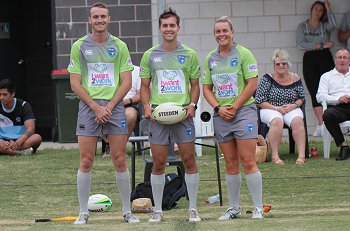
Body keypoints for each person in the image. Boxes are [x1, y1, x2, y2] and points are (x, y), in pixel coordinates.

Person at [67, 2, 139, 224]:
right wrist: (96, 107)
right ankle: (83, 213)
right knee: (86, 160)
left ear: (109, 19)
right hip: (88, 108)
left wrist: (108, 107)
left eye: (103, 17)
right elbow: (74, 83)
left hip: (114, 107)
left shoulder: (119, 46)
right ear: (89, 20)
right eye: (95, 17)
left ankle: (127, 211)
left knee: (119, 159)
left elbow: (126, 82)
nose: (99, 20)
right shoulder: (79, 46)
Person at [140, 8, 201, 222]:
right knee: (158, 163)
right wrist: (146, 106)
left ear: (178, 28)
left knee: (189, 160)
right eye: (165, 25)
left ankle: (193, 208)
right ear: (160, 28)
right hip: (158, 115)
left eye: (172, 25)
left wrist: (192, 105)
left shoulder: (189, 55)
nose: (168, 29)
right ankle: (158, 210)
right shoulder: (150, 55)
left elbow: (195, 85)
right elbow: (144, 86)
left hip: (183, 114)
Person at [202, 16, 263, 219]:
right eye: (218, 31)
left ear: (232, 32)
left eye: (225, 30)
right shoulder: (211, 58)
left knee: (248, 160)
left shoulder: (244, 54)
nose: (221, 34)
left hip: (243, 111)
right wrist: (219, 108)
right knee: (230, 162)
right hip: (222, 115)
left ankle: (258, 208)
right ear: (214, 34)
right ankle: (234, 208)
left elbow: (252, 84)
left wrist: (235, 107)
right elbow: (207, 89)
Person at [255, 49, 306, 165]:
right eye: (278, 64)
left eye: (284, 63)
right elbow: (259, 100)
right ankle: (275, 157)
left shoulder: (295, 77)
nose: (281, 66)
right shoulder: (267, 78)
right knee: (277, 120)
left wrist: (293, 105)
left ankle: (301, 156)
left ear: (288, 64)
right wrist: (277, 108)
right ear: (274, 65)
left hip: (291, 108)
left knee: (298, 121)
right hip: (270, 108)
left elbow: (302, 98)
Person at [296, 0, 336, 137]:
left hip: (325, 58)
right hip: (310, 59)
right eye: (316, 9)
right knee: (314, 90)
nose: (318, 12)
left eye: (321, 10)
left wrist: (328, 9)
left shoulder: (324, 26)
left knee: (328, 89)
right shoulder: (302, 26)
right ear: (311, 10)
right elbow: (301, 44)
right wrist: (320, 45)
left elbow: (333, 25)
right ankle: (320, 124)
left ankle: (330, 121)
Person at [316, 48, 350, 161]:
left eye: (345, 57)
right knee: (327, 115)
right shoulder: (326, 76)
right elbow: (320, 96)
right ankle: (343, 146)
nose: (342, 60)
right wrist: (338, 99)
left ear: (349, 60)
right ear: (335, 60)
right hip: (337, 108)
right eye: (339, 57)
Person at [102, 65, 141, 157]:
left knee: (130, 115)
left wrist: (127, 101)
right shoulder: (104, 68)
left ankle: (119, 147)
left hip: (127, 103)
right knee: (97, 113)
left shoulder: (137, 70)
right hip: (106, 103)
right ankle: (109, 145)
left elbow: (141, 94)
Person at [0, 79, 42, 155]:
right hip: (2, 141)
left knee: (37, 138)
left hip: (21, 141)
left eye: (5, 95)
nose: (1, 97)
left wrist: (17, 143)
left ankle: (7, 151)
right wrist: (0, 142)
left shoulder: (23, 105)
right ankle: (20, 153)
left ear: (13, 94)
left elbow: (30, 129)